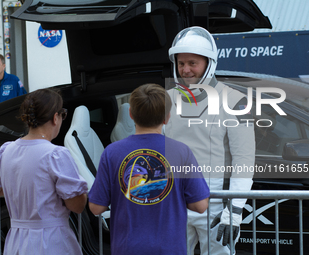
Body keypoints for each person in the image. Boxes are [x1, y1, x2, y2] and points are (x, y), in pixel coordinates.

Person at [88, 83, 210, 255]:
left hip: (126, 249)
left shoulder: (112, 152)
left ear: (130, 114)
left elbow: (96, 208)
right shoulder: (181, 151)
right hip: (170, 250)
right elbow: (200, 205)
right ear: (167, 117)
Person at [164, 26, 255, 254]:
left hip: (216, 206)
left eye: (192, 63)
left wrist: (233, 211)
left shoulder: (235, 101)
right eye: (181, 63)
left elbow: (244, 160)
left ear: (209, 63)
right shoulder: (166, 99)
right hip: (174, 203)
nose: (185, 69)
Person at [0, 88, 88, 255]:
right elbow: (77, 205)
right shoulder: (56, 154)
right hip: (51, 241)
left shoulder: (7, 150)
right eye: (63, 115)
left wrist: (21, 191)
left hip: (16, 241)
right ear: (55, 117)